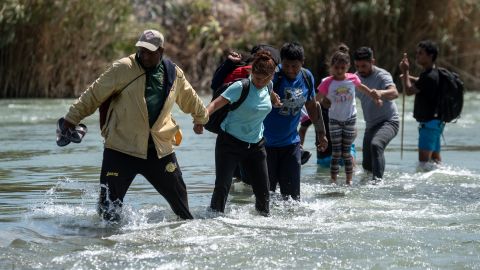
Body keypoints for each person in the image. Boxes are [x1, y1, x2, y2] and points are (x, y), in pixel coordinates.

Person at [58, 29, 209, 221]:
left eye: (149, 52)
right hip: (121, 148)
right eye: (141, 50)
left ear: (161, 51)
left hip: (159, 150)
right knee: (108, 212)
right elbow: (93, 95)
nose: (144, 55)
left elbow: (190, 98)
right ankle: (105, 243)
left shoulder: (172, 73)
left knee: (184, 212)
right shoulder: (123, 68)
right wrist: (70, 120)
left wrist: (200, 119)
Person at [204, 50, 279, 216]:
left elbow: (269, 94)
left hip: (256, 145)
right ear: (251, 71)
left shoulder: (268, 86)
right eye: (257, 77)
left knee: (263, 190)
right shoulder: (240, 87)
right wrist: (200, 120)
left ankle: (264, 222)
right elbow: (215, 105)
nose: (259, 82)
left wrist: (275, 99)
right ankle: (214, 220)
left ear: (272, 76)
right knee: (222, 187)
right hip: (229, 143)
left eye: (264, 79)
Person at [264, 42, 327, 200]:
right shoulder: (271, 77)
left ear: (302, 62)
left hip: (291, 144)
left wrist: (321, 133)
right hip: (265, 145)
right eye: (286, 66)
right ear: (280, 62)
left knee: (292, 199)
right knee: (266, 197)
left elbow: (312, 106)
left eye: (295, 66)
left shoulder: (306, 77)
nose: (291, 70)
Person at [316, 44, 382, 185]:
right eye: (336, 68)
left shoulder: (352, 79)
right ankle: (333, 180)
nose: (339, 71)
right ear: (331, 66)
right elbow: (316, 99)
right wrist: (304, 110)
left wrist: (374, 96)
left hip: (350, 119)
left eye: (342, 68)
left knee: (346, 152)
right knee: (336, 153)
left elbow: (362, 88)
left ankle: (349, 180)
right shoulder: (327, 82)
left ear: (348, 66)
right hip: (334, 120)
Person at [353, 47, 399, 181]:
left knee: (376, 145)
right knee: (367, 166)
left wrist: (381, 93)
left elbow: (394, 93)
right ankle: (367, 188)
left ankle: (377, 185)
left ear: (372, 61)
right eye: (357, 66)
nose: (360, 70)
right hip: (371, 125)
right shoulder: (355, 79)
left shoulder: (382, 75)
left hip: (389, 122)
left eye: (364, 66)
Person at [399, 40, 445, 170]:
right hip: (437, 124)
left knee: (423, 164)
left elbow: (408, 91)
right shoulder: (436, 73)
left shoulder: (428, 77)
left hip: (428, 126)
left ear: (430, 56)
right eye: (417, 53)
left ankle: (424, 189)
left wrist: (406, 72)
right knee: (436, 162)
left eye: (421, 53)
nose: (417, 56)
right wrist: (410, 78)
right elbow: (422, 83)